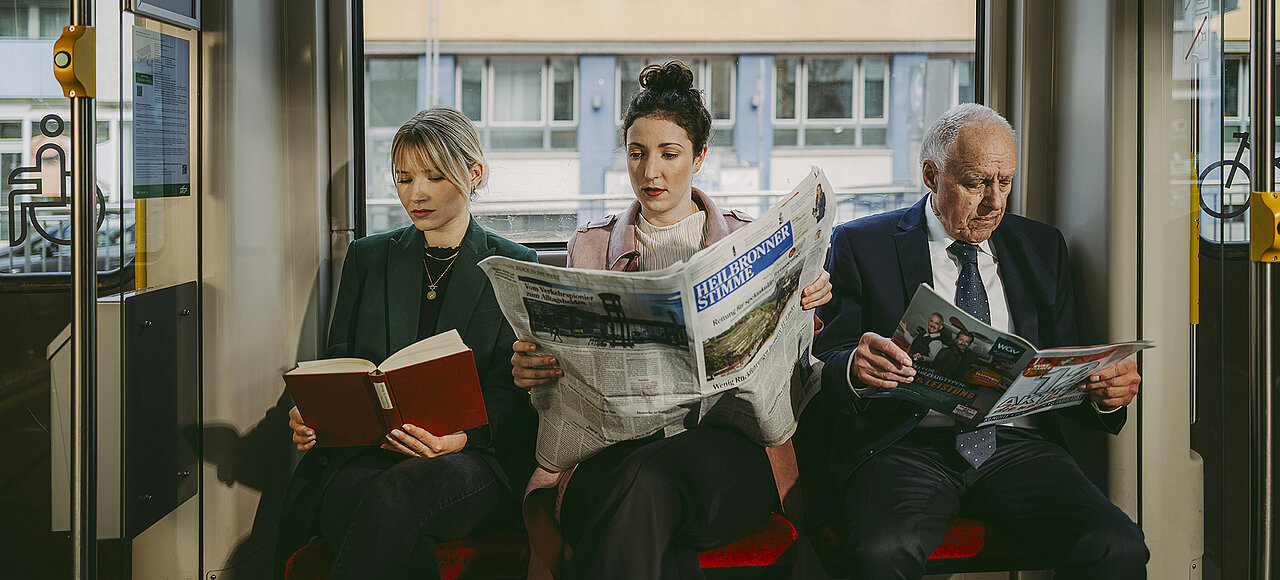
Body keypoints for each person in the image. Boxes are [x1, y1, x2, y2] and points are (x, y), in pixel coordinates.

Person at [510, 60, 832, 580]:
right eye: (636, 154)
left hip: (725, 455)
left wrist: (806, 307)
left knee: (648, 487)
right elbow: (562, 380)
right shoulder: (590, 246)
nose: (650, 171)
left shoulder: (749, 243)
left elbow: (793, 374)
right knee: (645, 493)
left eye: (669, 154)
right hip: (608, 453)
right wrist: (533, 372)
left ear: (699, 157)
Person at [802, 102, 1147, 579]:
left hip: (1018, 446)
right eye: (976, 183)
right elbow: (824, 361)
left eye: (1005, 181)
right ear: (930, 175)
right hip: (905, 445)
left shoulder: (1042, 247)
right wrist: (855, 370)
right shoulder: (864, 245)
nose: (995, 202)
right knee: (881, 552)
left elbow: (1064, 367)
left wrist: (1105, 395)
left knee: (1118, 547)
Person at [275, 107, 538, 580]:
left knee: (391, 499)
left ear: (473, 174)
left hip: (468, 458)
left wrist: (459, 437)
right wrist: (315, 417)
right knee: (371, 506)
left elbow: (515, 392)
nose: (415, 194)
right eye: (402, 179)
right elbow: (341, 361)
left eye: (434, 177)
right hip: (369, 452)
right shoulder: (368, 258)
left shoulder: (513, 263)